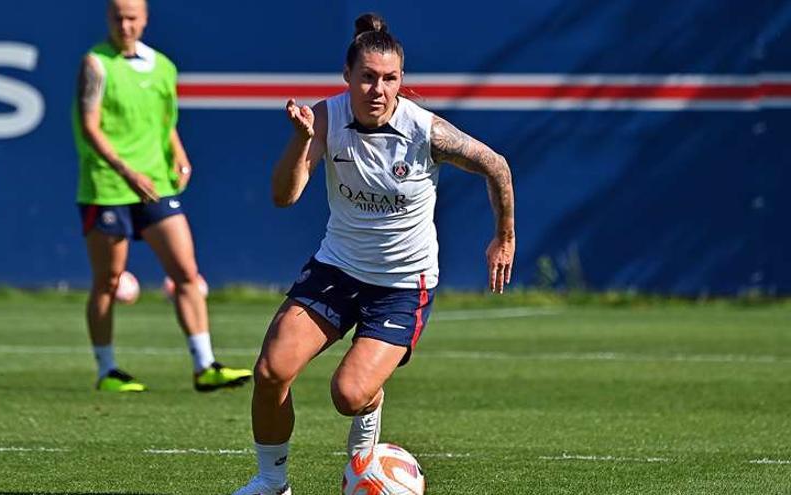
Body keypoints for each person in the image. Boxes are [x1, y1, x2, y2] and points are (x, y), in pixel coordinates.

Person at [232, 12, 515, 495]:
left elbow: (496, 165)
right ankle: (272, 483)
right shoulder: (325, 118)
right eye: (367, 77)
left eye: (389, 79)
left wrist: (504, 237)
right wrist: (300, 143)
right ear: (348, 77)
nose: (378, 89)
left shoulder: (426, 132)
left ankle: (370, 406)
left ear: (401, 81)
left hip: (402, 287)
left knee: (349, 394)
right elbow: (284, 196)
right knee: (270, 371)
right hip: (336, 270)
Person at [72, 0, 252, 393]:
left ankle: (205, 365)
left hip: (155, 184)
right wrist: (125, 171)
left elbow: (165, 123)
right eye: (118, 17)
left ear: (145, 19)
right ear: (108, 18)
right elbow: (89, 127)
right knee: (108, 279)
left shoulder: (163, 66)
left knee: (186, 272)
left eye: (132, 17)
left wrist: (180, 154)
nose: (125, 24)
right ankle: (108, 371)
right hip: (108, 185)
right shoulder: (96, 63)